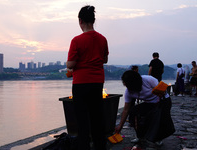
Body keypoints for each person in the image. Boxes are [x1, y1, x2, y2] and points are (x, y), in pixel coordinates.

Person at [66, 5, 109, 150]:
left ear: (80, 21)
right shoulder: (102, 39)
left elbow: (71, 64)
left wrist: (68, 64)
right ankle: (100, 147)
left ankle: (84, 147)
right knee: (97, 117)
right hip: (97, 82)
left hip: (81, 83)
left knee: (82, 120)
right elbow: (105, 60)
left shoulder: (77, 40)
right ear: (93, 20)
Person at [115, 70, 175, 148]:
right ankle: (140, 137)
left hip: (163, 100)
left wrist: (160, 94)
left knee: (158, 117)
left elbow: (163, 91)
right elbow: (126, 109)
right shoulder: (129, 91)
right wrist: (120, 126)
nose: (127, 87)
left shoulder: (148, 80)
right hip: (149, 103)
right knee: (133, 112)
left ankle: (158, 138)